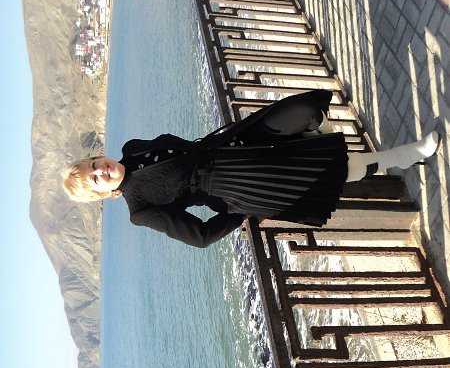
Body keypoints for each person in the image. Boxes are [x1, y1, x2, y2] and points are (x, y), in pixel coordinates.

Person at [63, 90, 439, 248]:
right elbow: (200, 236)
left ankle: (328, 144)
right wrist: (241, 208)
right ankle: (408, 154)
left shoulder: (131, 148)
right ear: (100, 193)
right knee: (341, 169)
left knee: (305, 110)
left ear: (97, 157)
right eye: (95, 179)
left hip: (234, 143)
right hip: (241, 182)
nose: (101, 170)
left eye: (94, 164)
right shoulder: (139, 209)